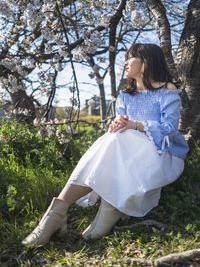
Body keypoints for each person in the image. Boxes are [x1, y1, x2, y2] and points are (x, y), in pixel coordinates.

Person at [22, 43, 189, 247]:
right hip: (126, 149)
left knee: (121, 138)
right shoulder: (127, 95)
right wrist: (118, 124)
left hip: (162, 154)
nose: (126, 62)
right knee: (114, 137)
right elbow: (121, 124)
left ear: (145, 61)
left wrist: (136, 125)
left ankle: (109, 208)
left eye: (130, 57)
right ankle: (56, 212)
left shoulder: (166, 89)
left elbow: (170, 130)